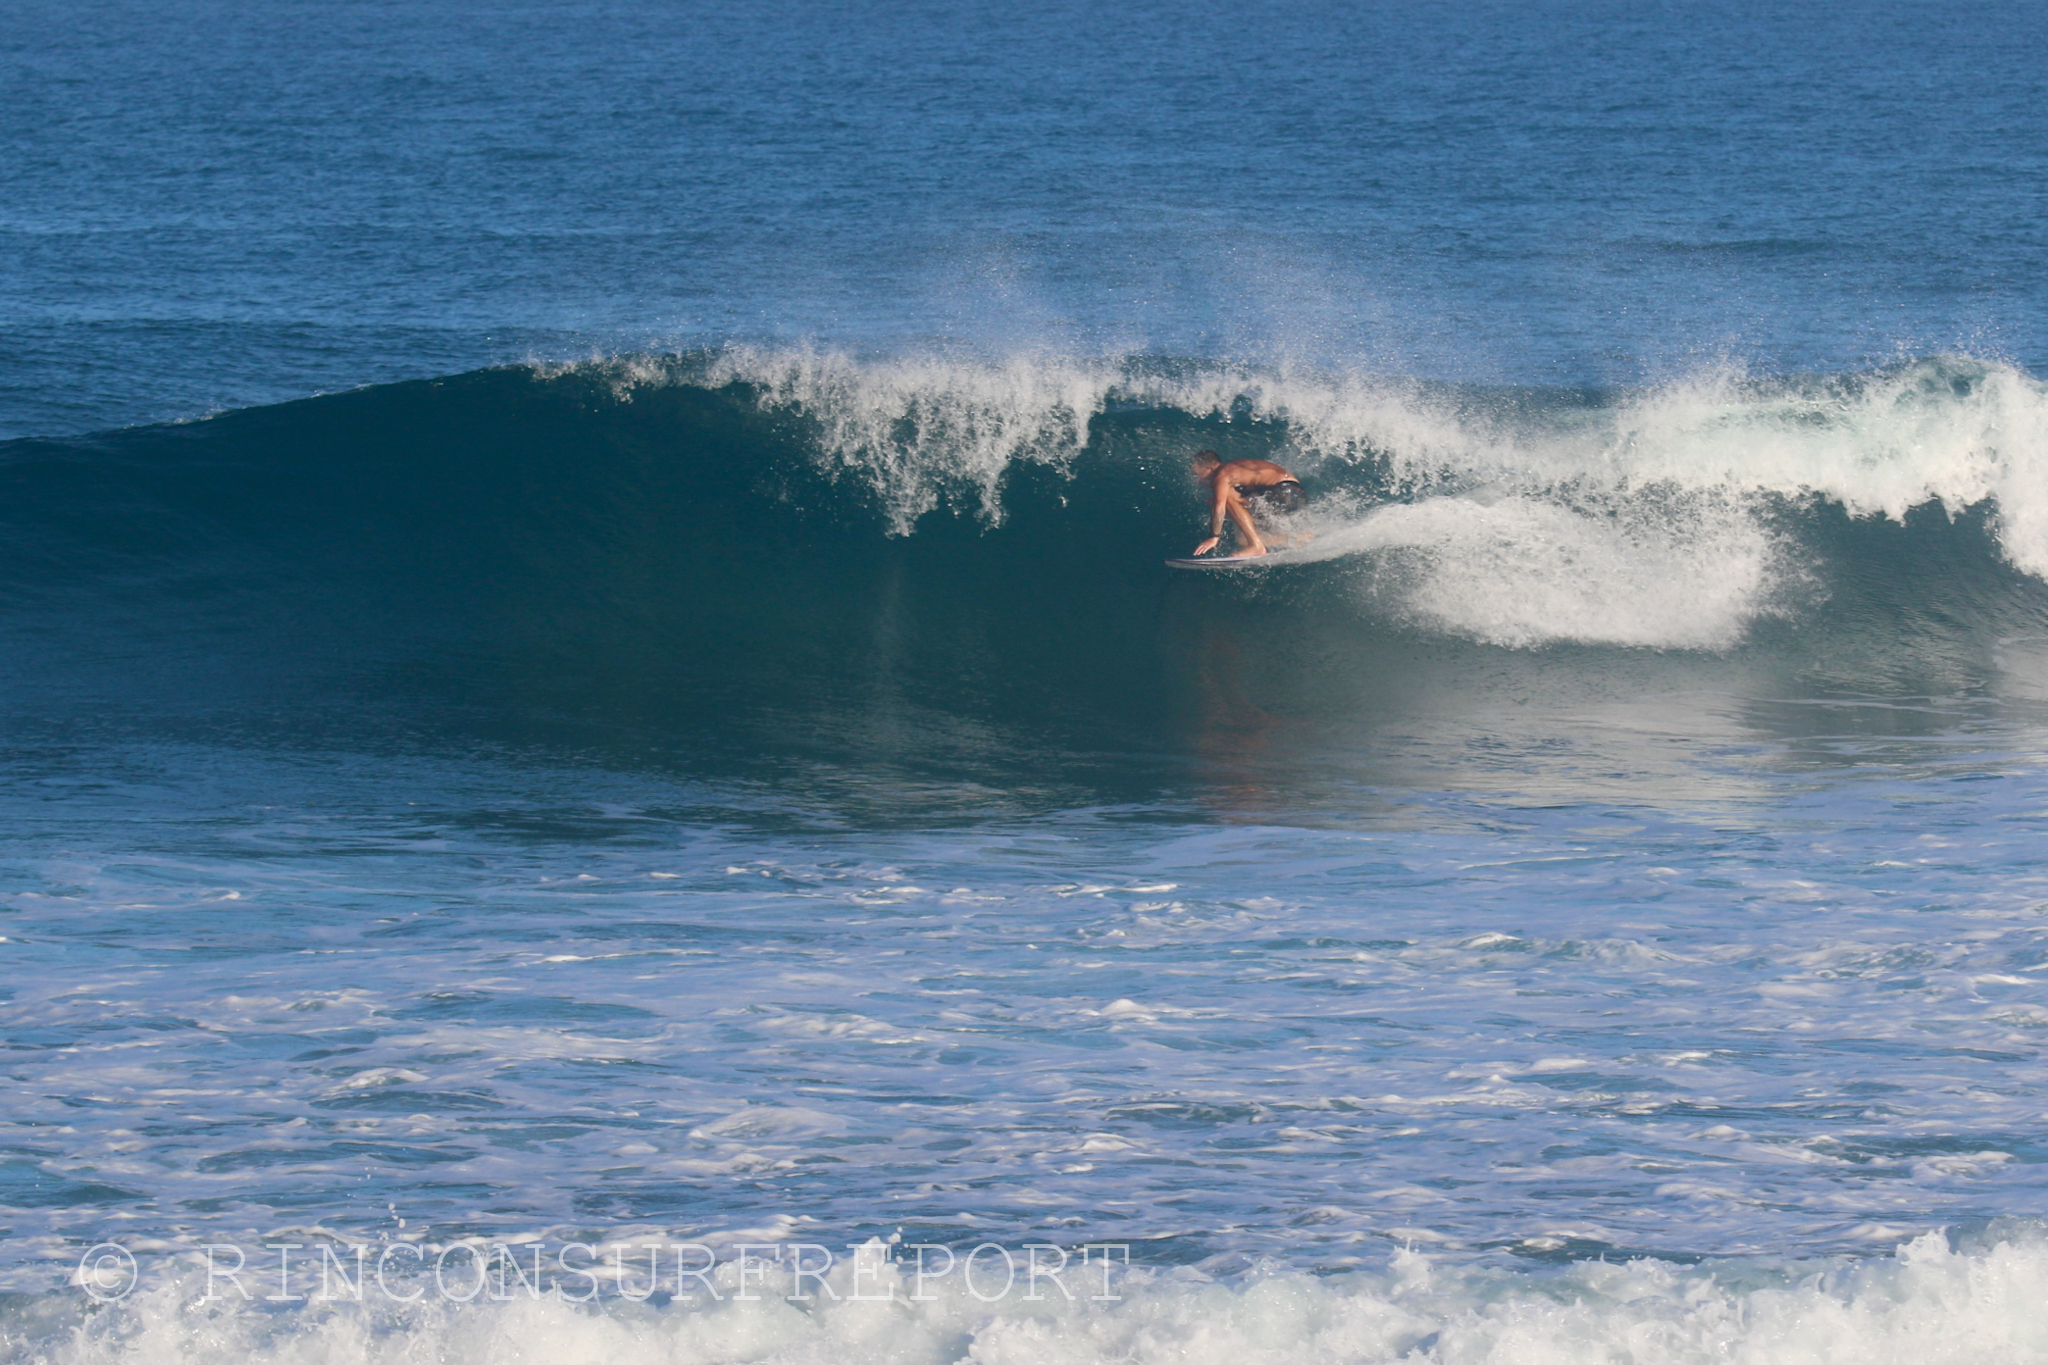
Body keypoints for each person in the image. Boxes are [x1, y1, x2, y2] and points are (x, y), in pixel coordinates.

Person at [1189, 450, 1309, 558]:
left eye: (1197, 474)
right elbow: (1248, 497)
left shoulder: (1222, 475)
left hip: (1285, 492)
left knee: (1226, 499)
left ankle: (1256, 546)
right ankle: (1292, 539)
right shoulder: (1235, 470)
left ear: (1209, 468)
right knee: (1242, 539)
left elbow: (1220, 506)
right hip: (1297, 496)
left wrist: (1213, 537)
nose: (1197, 479)